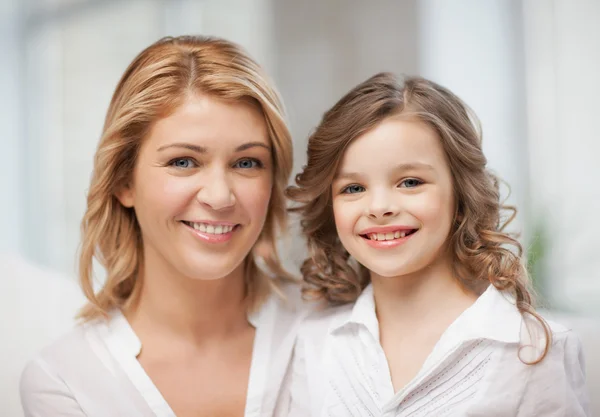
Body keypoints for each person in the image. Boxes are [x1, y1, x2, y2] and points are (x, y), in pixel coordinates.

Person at [20, 35, 304, 417]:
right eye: (184, 162)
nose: (220, 197)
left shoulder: (332, 328)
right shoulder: (64, 382)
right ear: (124, 181)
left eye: (247, 163)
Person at [285, 73, 590, 416]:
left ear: (460, 194)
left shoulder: (535, 350)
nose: (379, 207)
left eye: (410, 182)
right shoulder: (310, 345)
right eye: (353, 188)